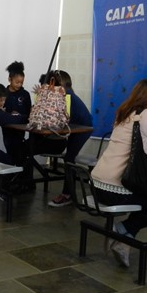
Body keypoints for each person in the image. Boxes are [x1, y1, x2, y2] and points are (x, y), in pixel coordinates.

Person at [90, 79, 147, 267]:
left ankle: (125, 240)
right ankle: (123, 229)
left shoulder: (123, 112)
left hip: (96, 184)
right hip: (116, 190)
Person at [37, 70, 93, 207]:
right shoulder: (64, 93)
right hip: (75, 128)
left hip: (83, 129)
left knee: (69, 159)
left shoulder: (66, 95)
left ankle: (67, 195)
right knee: (69, 158)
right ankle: (68, 194)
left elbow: (61, 118)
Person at [2, 61, 31, 164]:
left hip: (20, 129)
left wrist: (21, 116)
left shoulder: (25, 94)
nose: (19, 85)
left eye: (21, 82)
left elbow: (29, 113)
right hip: (7, 128)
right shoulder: (3, 93)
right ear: (9, 79)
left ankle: (19, 170)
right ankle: (11, 169)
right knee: (9, 149)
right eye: (17, 82)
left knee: (19, 151)